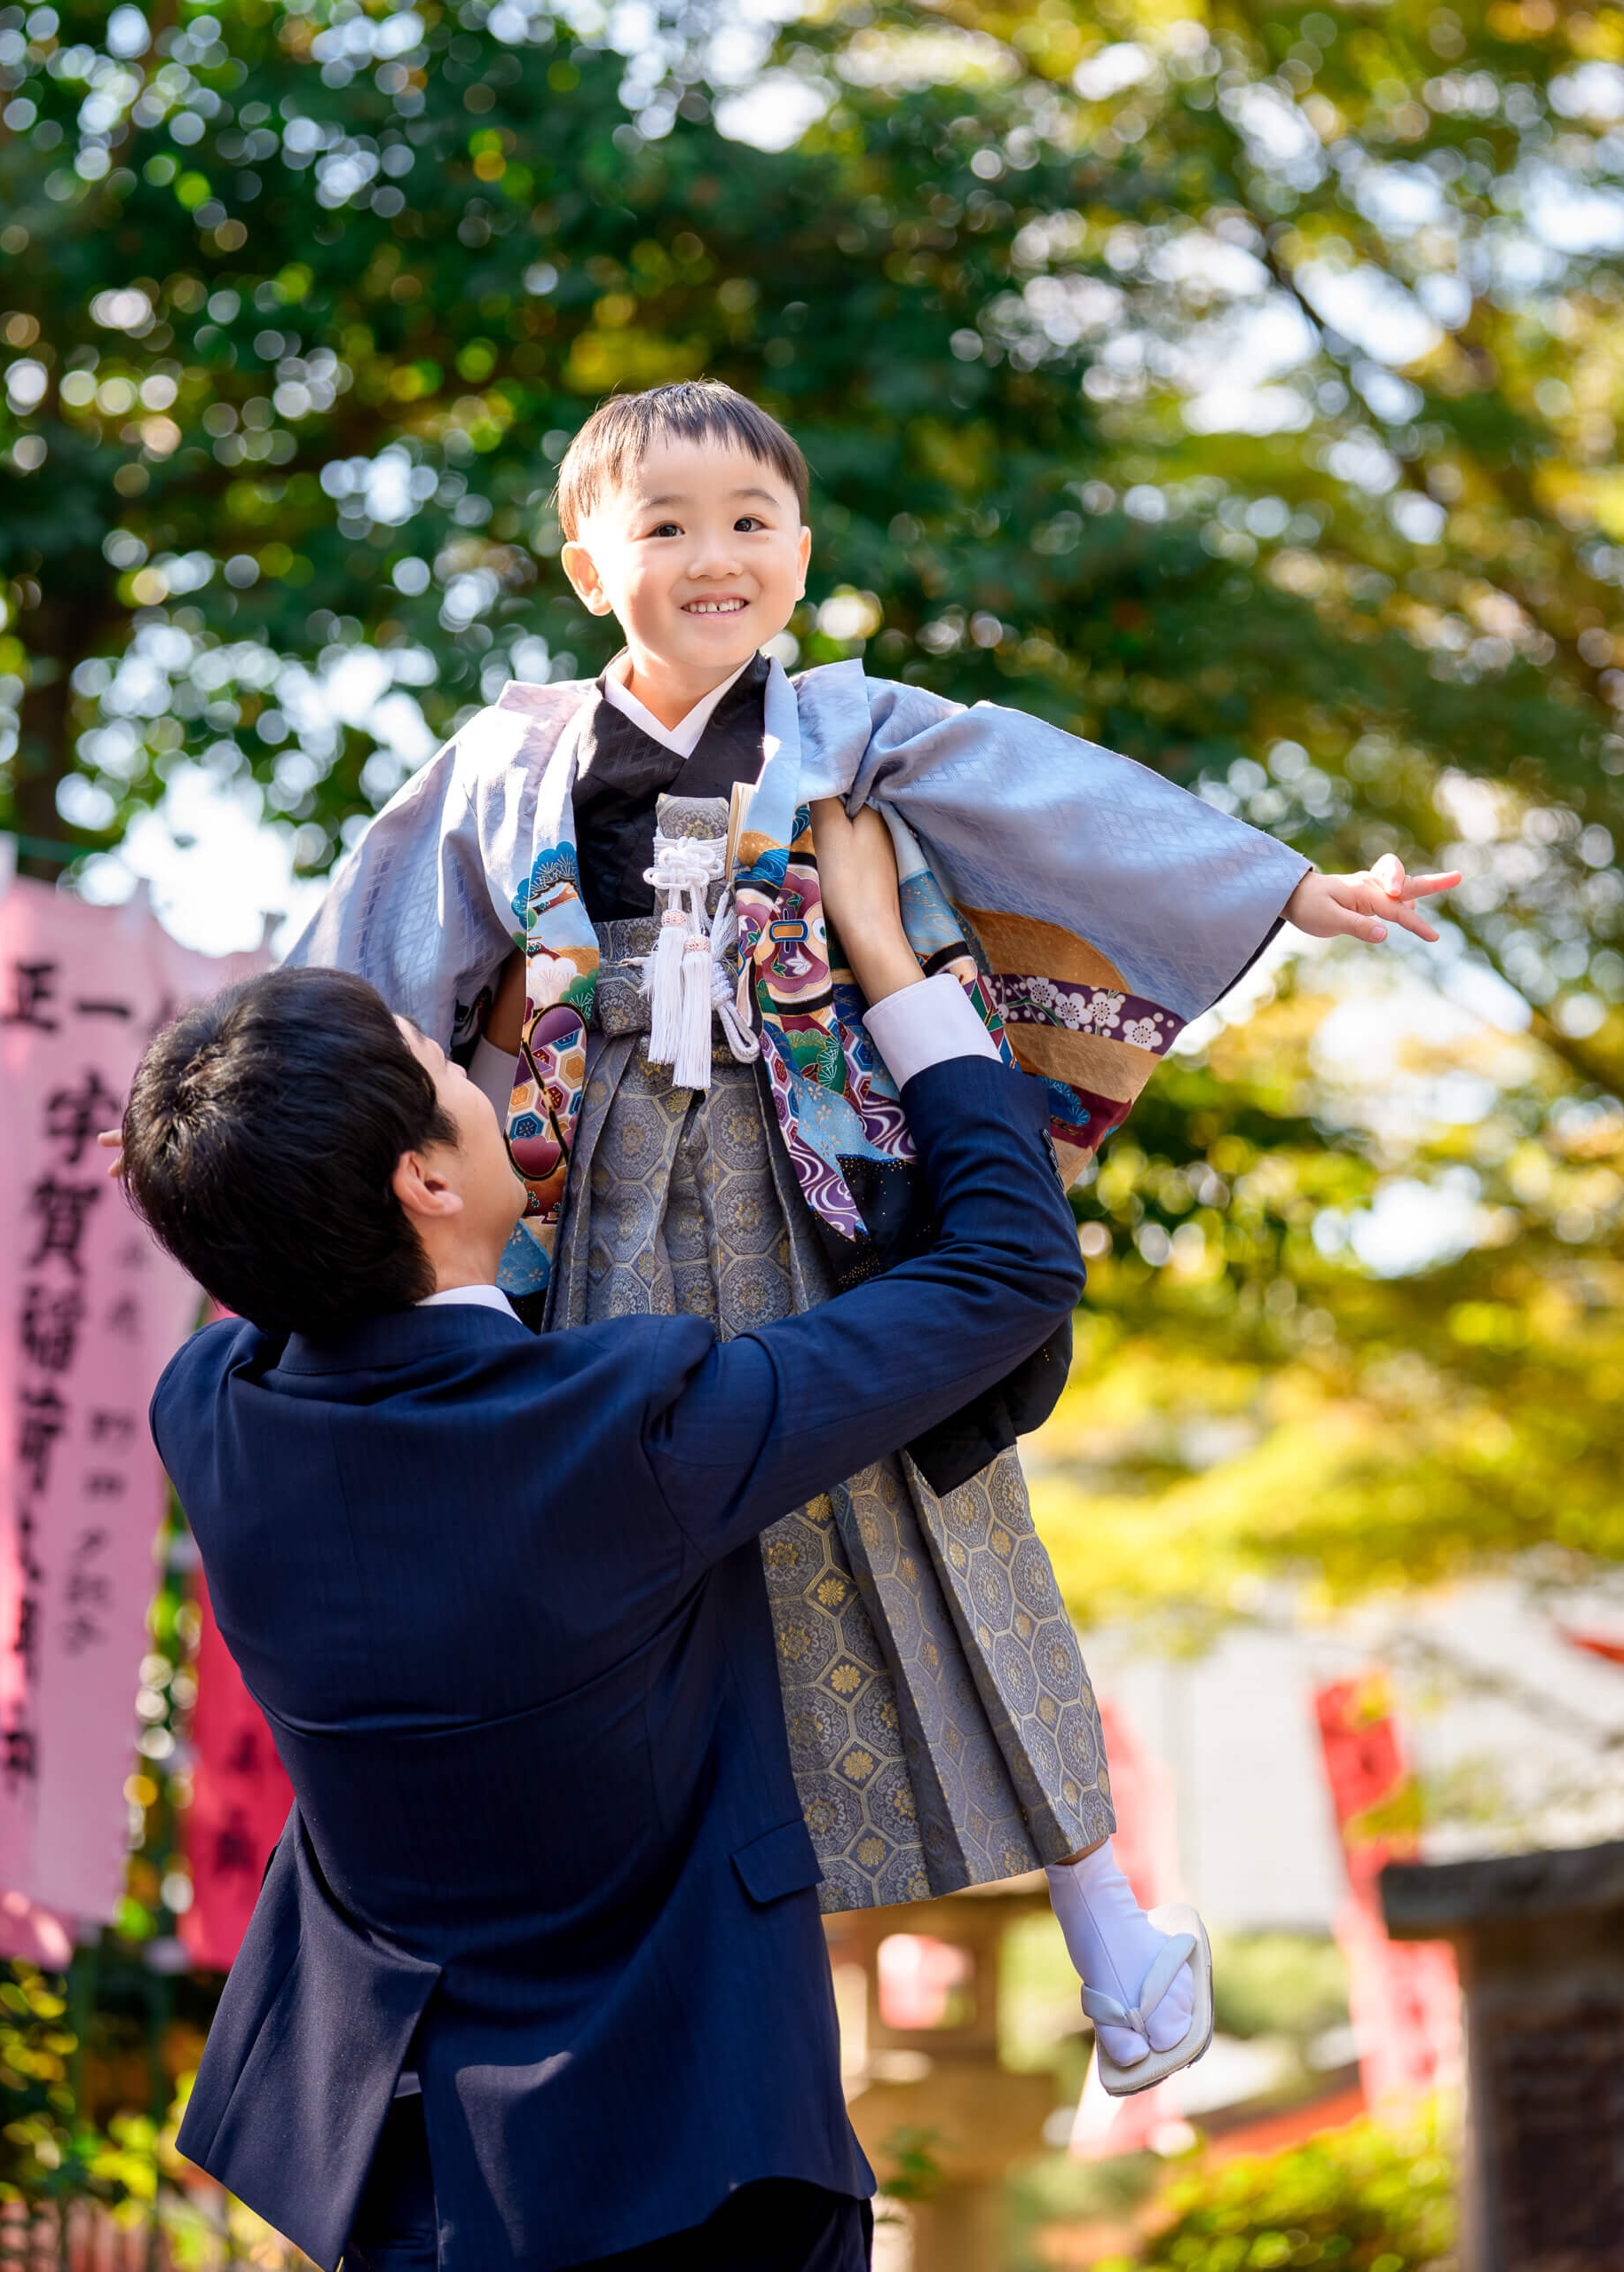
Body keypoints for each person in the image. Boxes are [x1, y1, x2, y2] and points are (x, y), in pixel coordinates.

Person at [287, 380, 1456, 2085]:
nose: (715, 556)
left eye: (752, 523)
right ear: (584, 556)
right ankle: (663, 1979)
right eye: (666, 524)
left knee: (935, 1504)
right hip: (590, 1190)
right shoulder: (506, 761)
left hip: (818, 1183)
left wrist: (1285, 884)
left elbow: (1054, 795)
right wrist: (226, 1106)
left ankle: (1105, 1926)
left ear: (804, 552)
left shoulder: (853, 724)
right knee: (607, 1553)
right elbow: (364, 949)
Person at [122, 801, 1108, 2272]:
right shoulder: (625, 1428)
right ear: (424, 1179)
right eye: (438, 1067)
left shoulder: (213, 1405)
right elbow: (1010, 1272)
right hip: (691, 2163)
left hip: (391, 2166)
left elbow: (390, 1327)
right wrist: (896, 969)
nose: (472, 1060)